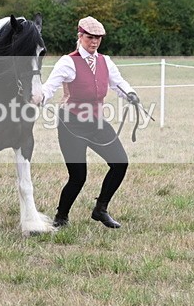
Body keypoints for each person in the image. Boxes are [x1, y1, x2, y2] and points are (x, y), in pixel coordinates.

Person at [34, 16, 140, 229]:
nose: (94, 42)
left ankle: (100, 209)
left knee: (120, 162)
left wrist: (130, 94)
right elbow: (49, 87)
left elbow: (118, 83)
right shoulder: (67, 62)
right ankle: (61, 217)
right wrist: (38, 98)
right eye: (90, 38)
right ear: (80, 36)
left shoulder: (105, 61)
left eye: (98, 38)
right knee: (78, 176)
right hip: (71, 124)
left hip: (96, 122)